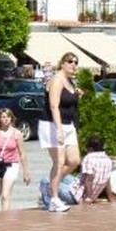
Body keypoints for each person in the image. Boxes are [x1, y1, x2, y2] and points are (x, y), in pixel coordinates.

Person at [38, 52, 83, 213]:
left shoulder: (70, 81)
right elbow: (54, 106)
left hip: (69, 125)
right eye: (70, 61)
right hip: (53, 124)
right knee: (59, 162)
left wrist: (77, 94)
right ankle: (54, 199)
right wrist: (59, 130)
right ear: (62, 63)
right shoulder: (56, 80)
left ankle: (49, 186)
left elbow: (68, 100)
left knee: (74, 161)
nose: (74, 65)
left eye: (76, 62)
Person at [0, 108, 31, 210]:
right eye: (3, 117)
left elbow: (22, 154)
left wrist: (26, 171)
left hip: (11, 165)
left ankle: (5, 220)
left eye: (8, 117)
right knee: (3, 196)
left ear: (11, 118)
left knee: (5, 195)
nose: (6, 119)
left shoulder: (17, 133)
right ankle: (5, 215)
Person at [72, 135, 114, 204]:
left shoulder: (89, 158)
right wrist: (111, 199)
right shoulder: (108, 160)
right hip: (92, 195)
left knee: (48, 181)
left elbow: (89, 179)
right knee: (64, 178)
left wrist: (88, 198)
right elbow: (107, 181)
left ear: (90, 148)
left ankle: (52, 204)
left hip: (77, 196)